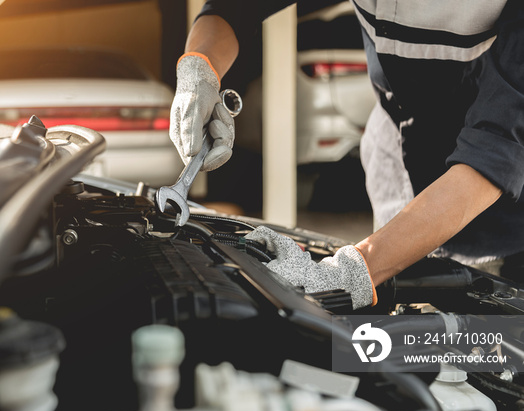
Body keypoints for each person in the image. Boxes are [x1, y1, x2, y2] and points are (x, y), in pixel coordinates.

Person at [169, 0, 524, 309]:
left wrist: (354, 269)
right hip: (398, 157)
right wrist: (199, 71)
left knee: (488, 353)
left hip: (499, 207)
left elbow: (495, 148)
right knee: (397, 340)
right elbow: (235, 9)